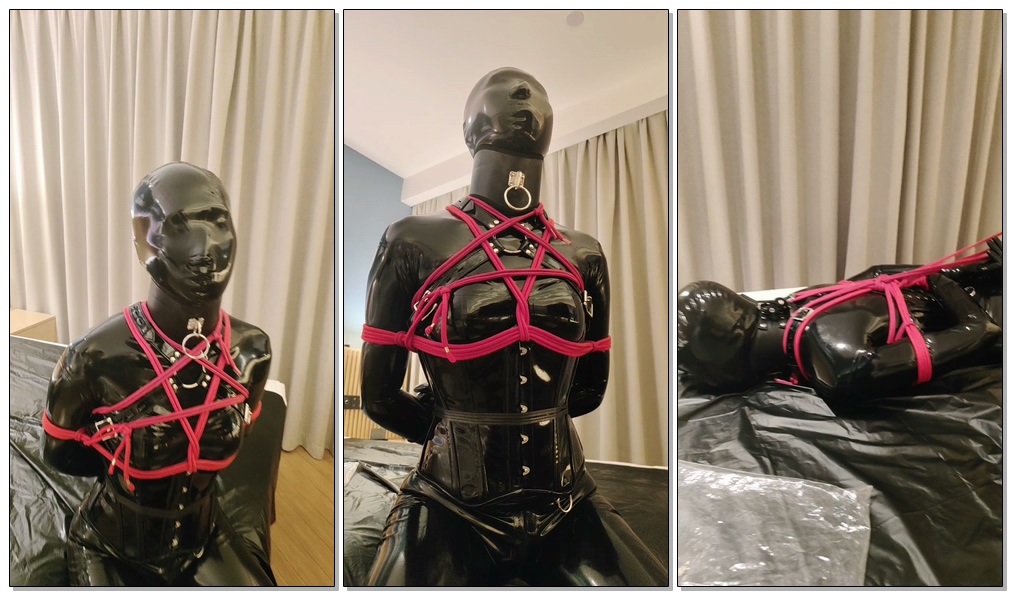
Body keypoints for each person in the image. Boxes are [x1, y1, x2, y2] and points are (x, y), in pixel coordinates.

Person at [360, 67, 667, 586]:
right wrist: (455, 432)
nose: (524, 91)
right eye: (500, 85)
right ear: (469, 129)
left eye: (536, 89)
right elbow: (380, 396)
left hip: (568, 501)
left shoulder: (585, 252)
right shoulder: (411, 239)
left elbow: (589, 390)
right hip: (448, 502)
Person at [42, 162, 275, 586]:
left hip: (205, 537)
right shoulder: (92, 358)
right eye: (178, 227)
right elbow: (59, 455)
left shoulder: (253, 352)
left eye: (217, 221)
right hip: (109, 543)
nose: (204, 246)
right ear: (143, 245)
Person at [677, 235, 1002, 400]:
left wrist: (972, 271)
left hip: (974, 292)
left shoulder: (801, 305)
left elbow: (878, 274)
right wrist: (942, 280)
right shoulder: (840, 362)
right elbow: (982, 330)